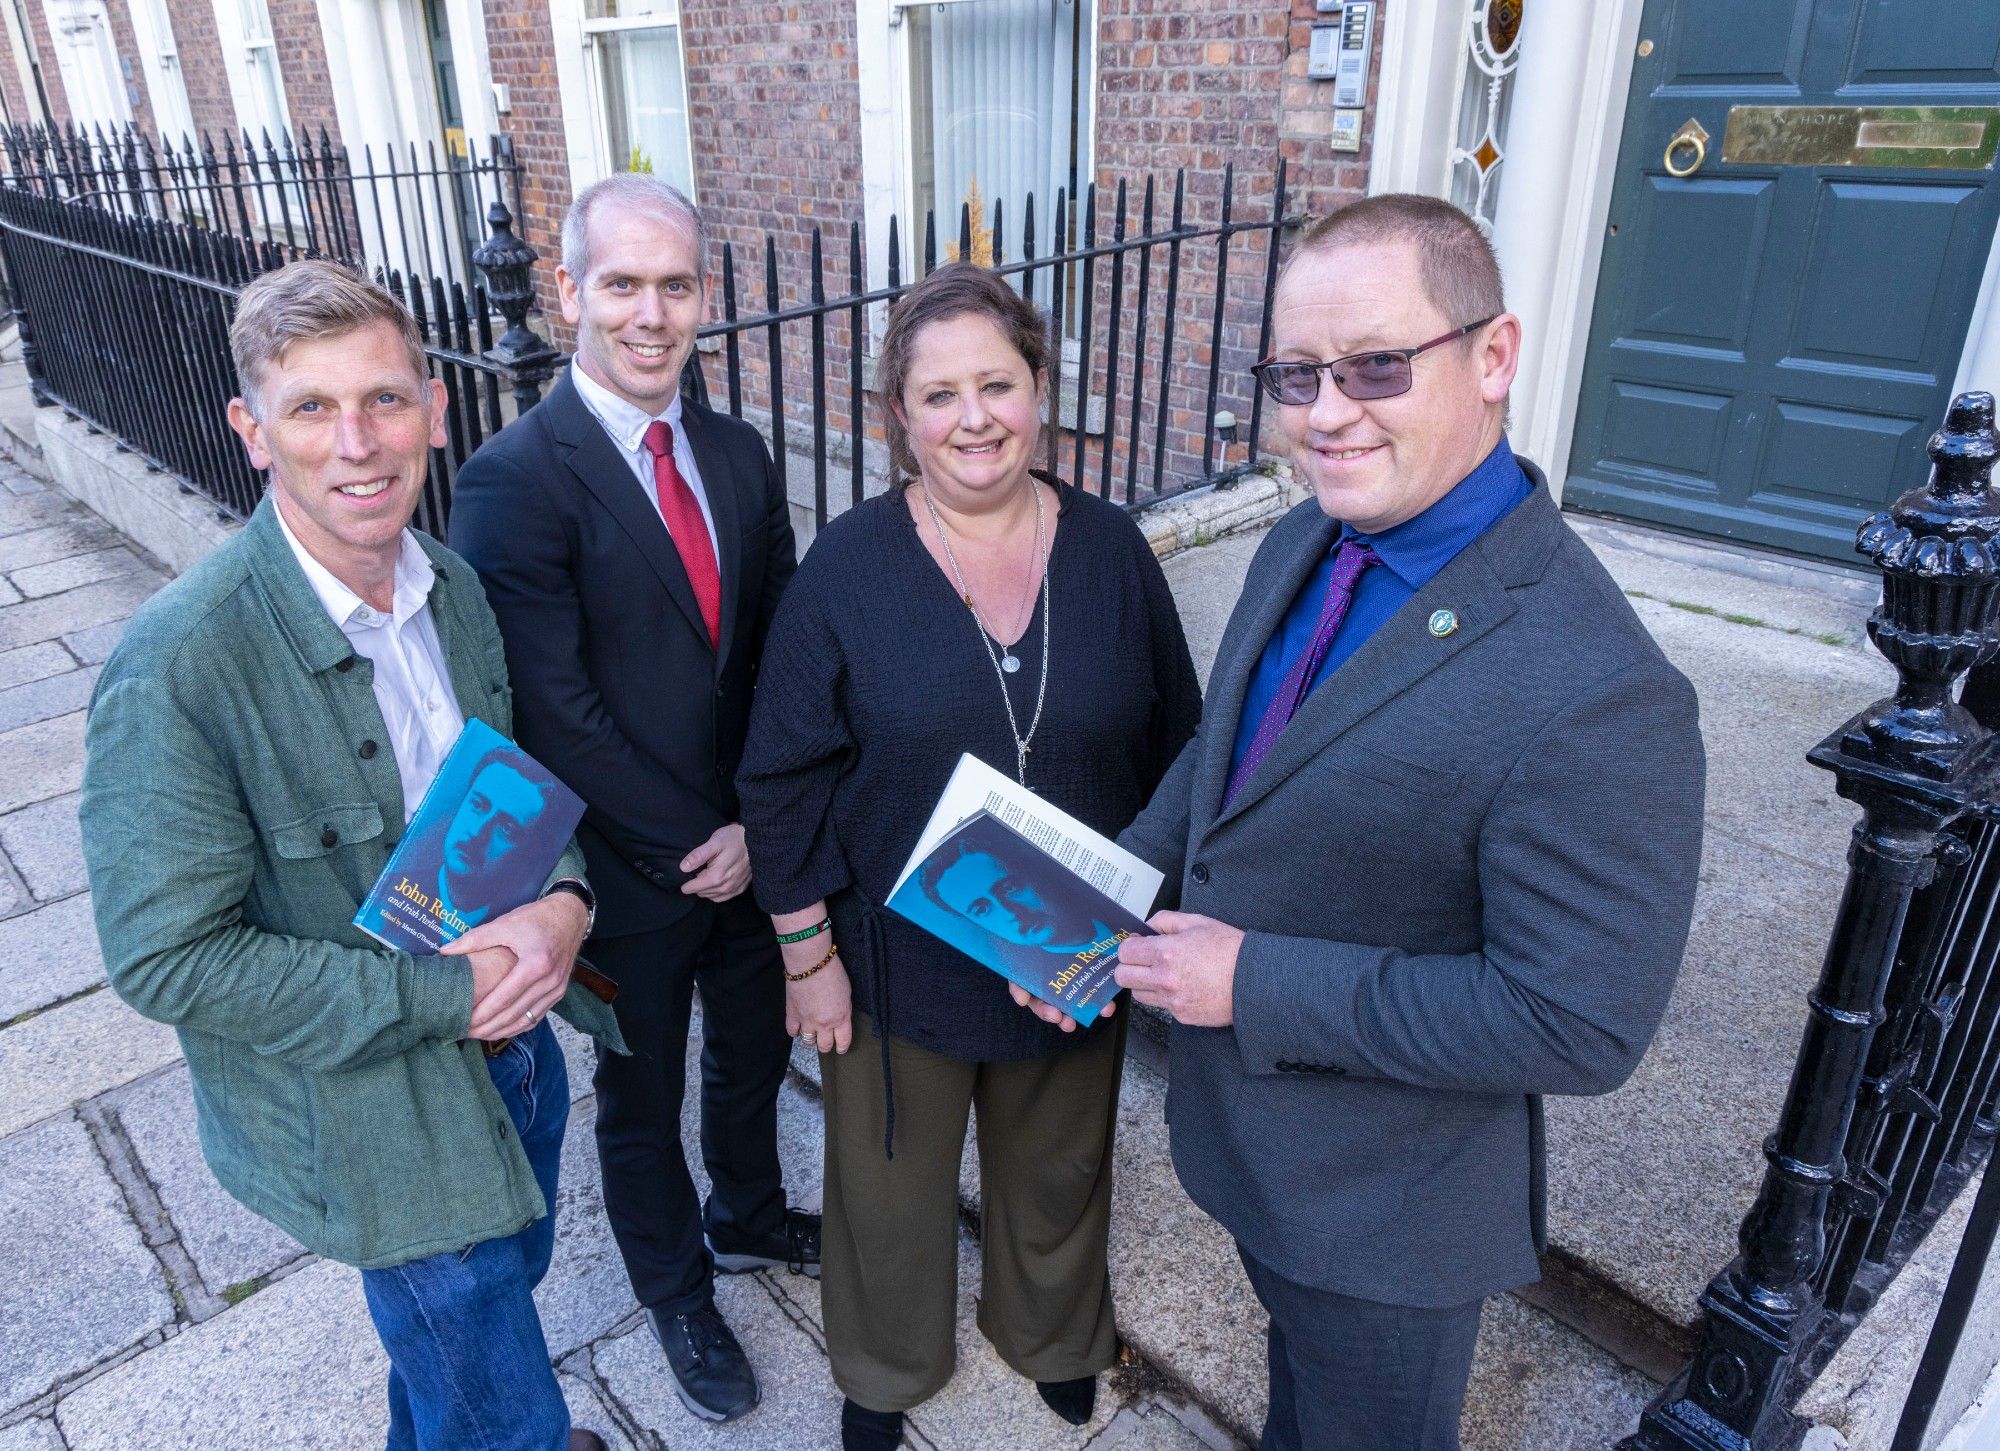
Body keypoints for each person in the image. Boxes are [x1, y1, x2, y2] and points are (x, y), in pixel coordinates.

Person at [1036, 194, 1707, 1449]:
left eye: (1377, 366)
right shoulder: (1307, 532)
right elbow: (1226, 755)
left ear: (1493, 356)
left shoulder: (1601, 691)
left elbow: (1575, 1020)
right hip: (1259, 1159)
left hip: (1386, 1217)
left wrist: (1253, 980)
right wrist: (1102, 899)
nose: (1325, 412)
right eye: (1296, 374)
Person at [78, 259, 621, 1451]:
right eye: (312, 407)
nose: (356, 442)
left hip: (517, 1054)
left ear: (433, 405)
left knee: (460, 1344)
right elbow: (166, 958)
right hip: (382, 1116)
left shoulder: (456, 591)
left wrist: (566, 906)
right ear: (252, 430)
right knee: (501, 1403)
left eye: (382, 399)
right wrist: (449, 990)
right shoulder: (181, 662)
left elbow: (519, 797)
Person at [734, 261, 1201, 1451]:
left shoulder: (1110, 552)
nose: (972, 415)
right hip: (894, 957)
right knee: (885, 1185)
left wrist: (1139, 928)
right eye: (938, 394)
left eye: (997, 382)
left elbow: (1178, 745)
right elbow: (779, 773)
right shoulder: (847, 566)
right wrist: (804, 952)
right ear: (898, 415)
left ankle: (1050, 1334)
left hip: (1072, 951)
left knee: (1057, 1167)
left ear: (1040, 389)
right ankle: (884, 1364)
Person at [448, 174, 812, 1425]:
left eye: (673, 285)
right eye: (621, 283)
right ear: (568, 293)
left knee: (755, 1050)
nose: (649, 313)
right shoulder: (512, 478)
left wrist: (759, 821)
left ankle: (753, 1217)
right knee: (641, 1092)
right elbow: (555, 712)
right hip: (620, 867)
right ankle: (675, 1287)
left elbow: (779, 649)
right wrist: (691, 836)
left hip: (747, 845)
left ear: (703, 296)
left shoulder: (737, 451)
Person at [423, 746, 564, 930]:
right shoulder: (382, 906)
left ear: (526, 852)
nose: (476, 833)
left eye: (506, 828)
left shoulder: (525, 924)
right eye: (478, 805)